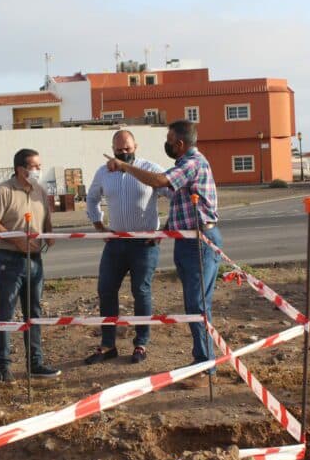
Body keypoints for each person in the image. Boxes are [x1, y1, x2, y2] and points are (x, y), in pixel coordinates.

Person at [104, 120, 222, 378]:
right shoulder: (183, 164)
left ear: (179, 143)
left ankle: (206, 368)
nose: (166, 144)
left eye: (169, 140)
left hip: (198, 242)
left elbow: (159, 181)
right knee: (193, 304)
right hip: (186, 241)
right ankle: (201, 360)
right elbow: (181, 205)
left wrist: (125, 166)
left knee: (198, 305)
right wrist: (165, 230)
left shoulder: (192, 164)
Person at [85, 130, 166, 365]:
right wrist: (99, 226)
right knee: (106, 290)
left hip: (144, 243)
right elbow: (91, 198)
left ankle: (141, 343)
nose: (123, 153)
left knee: (141, 291)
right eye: (119, 150)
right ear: (112, 149)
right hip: (116, 242)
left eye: (127, 149)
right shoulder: (103, 172)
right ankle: (108, 345)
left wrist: (165, 230)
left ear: (136, 147)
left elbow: (174, 194)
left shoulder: (150, 169)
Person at [0, 148, 61, 384]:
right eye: (34, 166)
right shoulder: (3, 191)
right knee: (6, 313)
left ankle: (35, 363)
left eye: (39, 166)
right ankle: (3, 367)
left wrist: (49, 234)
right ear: (21, 169)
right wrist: (17, 239)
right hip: (9, 260)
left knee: (34, 313)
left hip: (35, 260)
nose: (38, 170)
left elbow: (46, 219)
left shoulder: (40, 191)